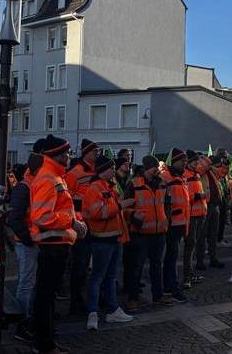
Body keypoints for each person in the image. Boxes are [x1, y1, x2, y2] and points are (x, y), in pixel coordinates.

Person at [30, 135, 86, 354]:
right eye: (67, 153)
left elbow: (60, 210)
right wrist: (72, 222)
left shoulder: (55, 176)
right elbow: (42, 216)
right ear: (59, 154)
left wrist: (76, 222)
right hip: (51, 245)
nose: (70, 156)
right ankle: (43, 344)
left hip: (57, 243)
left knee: (48, 297)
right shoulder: (48, 178)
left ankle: (46, 342)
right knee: (46, 297)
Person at [82, 156, 133, 330]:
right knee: (98, 277)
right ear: (103, 170)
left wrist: (125, 210)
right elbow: (97, 212)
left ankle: (112, 309)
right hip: (102, 240)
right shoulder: (94, 189)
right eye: (111, 168)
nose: (113, 171)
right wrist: (121, 206)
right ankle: (93, 312)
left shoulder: (108, 187)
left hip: (114, 238)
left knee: (110, 277)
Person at [6, 140, 45, 343]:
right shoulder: (25, 187)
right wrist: (28, 238)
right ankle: (22, 323)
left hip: (32, 240)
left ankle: (28, 318)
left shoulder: (32, 184)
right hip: (28, 242)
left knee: (29, 282)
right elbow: (14, 218)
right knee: (26, 283)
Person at [124, 157, 174, 311]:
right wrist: (134, 215)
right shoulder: (134, 184)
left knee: (156, 265)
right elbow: (124, 206)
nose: (156, 170)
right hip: (140, 233)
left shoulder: (162, 183)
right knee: (137, 266)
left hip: (159, 232)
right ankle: (133, 298)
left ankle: (157, 295)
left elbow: (167, 204)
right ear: (146, 168)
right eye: (153, 167)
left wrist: (167, 219)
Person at [63, 138, 99, 314]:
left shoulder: (98, 172)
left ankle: (86, 297)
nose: (97, 154)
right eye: (94, 151)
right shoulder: (74, 173)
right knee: (80, 264)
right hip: (81, 225)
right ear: (86, 153)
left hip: (96, 223)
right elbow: (66, 198)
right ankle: (76, 300)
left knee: (90, 265)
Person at [160, 148, 190, 303]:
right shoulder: (165, 176)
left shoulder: (181, 177)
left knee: (172, 257)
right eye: (182, 161)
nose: (185, 163)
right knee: (170, 257)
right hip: (170, 224)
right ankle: (171, 287)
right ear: (175, 161)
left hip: (180, 224)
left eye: (185, 161)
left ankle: (169, 285)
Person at [182, 151, 208, 288]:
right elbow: (185, 197)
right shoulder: (185, 175)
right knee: (189, 246)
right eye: (195, 162)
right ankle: (187, 276)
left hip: (200, 214)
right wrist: (197, 197)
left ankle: (190, 273)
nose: (197, 164)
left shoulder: (196, 174)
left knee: (193, 245)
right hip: (191, 216)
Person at [200, 156, 226, 270]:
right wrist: (208, 167)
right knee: (202, 234)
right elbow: (200, 169)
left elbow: (223, 173)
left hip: (214, 204)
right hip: (205, 205)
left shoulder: (213, 173)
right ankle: (200, 261)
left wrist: (223, 165)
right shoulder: (202, 172)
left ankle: (213, 258)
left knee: (213, 234)